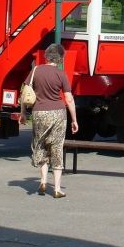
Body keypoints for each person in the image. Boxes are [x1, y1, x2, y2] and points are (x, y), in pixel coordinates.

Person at [20, 44, 78, 198]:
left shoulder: (35, 71)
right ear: (60, 59)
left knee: (40, 145)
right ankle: (57, 188)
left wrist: (23, 113)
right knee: (56, 147)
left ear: (46, 56)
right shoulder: (61, 74)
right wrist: (74, 119)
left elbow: (24, 93)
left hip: (39, 113)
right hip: (58, 113)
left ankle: (43, 180)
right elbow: (69, 99)